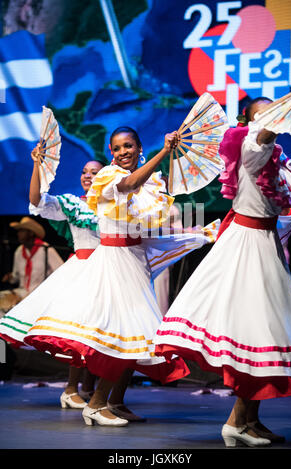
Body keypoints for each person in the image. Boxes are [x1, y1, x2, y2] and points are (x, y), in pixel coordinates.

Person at [19, 126, 191, 427]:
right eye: (116, 148)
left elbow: (144, 229)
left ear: (139, 148)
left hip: (134, 262)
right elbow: (128, 185)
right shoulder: (109, 176)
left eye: (128, 146)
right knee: (123, 335)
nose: (122, 152)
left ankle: (114, 401)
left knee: (135, 338)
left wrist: (189, 236)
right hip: (112, 262)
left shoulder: (151, 183)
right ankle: (95, 403)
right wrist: (165, 152)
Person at [154, 97, 291, 447]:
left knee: (266, 333)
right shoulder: (249, 146)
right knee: (255, 329)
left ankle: (249, 419)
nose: (270, 117)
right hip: (246, 245)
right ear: (250, 119)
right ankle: (237, 422)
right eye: (262, 112)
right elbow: (260, 141)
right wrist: (280, 112)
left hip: (264, 241)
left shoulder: (280, 161)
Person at [0, 151, 103, 408]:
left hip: (109, 270)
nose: (88, 176)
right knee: (81, 330)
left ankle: (89, 387)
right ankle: (70, 388)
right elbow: (36, 200)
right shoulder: (74, 204)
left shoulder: (116, 207)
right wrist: (36, 165)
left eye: (95, 172)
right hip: (83, 270)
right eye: (85, 172)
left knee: (99, 331)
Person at [1, 216, 63, 309]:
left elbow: (61, 272)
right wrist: (10, 277)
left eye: (22, 231)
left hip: (40, 294)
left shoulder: (46, 249)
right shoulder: (19, 251)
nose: (18, 234)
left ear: (31, 233)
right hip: (23, 293)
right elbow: (16, 278)